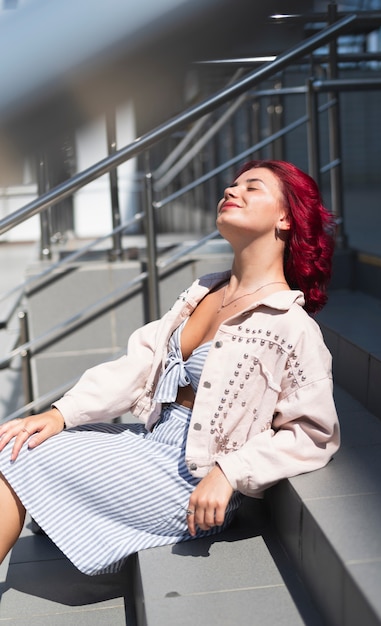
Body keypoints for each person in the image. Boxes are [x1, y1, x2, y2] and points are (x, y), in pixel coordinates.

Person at [0, 159, 340, 576]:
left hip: (192, 480)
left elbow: (313, 434)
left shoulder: (290, 325)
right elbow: (138, 365)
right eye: (231, 185)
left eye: (252, 188)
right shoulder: (202, 292)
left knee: (17, 458)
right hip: (151, 444)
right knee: (21, 442)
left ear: (286, 218)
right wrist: (60, 414)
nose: (231, 191)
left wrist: (229, 472)